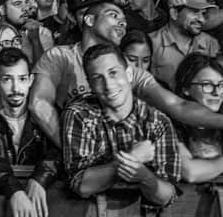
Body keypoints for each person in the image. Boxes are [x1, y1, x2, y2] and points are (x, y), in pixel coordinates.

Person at [31, 0, 223, 148]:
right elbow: (39, 104)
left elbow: (178, 105)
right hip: (65, 157)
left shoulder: (129, 71)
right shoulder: (60, 56)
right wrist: (73, 149)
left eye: (124, 20)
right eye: (113, 15)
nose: (122, 22)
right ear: (89, 20)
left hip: (113, 160)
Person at [62, 44, 180, 208]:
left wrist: (144, 176)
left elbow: (166, 196)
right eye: (98, 78)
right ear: (90, 84)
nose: (109, 85)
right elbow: (82, 185)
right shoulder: (80, 114)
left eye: (113, 73)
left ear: (129, 73)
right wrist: (131, 159)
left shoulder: (157, 122)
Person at [0, 48, 57, 217]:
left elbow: (58, 149)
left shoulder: (44, 109)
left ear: (30, 80)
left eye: (22, 79)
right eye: (7, 79)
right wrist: (14, 190)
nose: (16, 88)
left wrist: (40, 179)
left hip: (43, 203)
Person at [148, 0, 219, 88]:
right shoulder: (152, 43)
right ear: (174, 13)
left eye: (203, 13)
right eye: (195, 12)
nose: (202, 19)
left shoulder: (210, 43)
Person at [172, 53, 223, 182]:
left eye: (221, 85)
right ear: (186, 89)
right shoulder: (172, 124)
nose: (216, 92)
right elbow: (190, 172)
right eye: (207, 85)